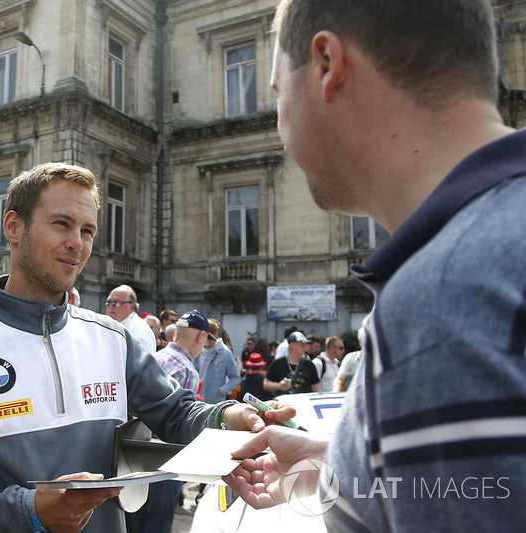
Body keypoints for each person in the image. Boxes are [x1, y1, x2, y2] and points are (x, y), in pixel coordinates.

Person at [224, 1, 526, 531]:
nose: (278, 122)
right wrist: (340, 459)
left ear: (326, 65)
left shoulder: (442, 300)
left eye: (275, 91)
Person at [0, 163, 282, 533]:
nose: (77, 243)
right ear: (13, 227)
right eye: (62, 224)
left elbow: (175, 412)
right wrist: (29, 511)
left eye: (88, 231)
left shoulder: (112, 337)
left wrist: (230, 416)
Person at [134, 309, 216, 533]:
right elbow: (178, 422)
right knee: (157, 524)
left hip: (135, 453)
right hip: (164, 460)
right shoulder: (187, 370)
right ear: (201, 337)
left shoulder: (154, 357)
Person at [195, 318, 240, 404]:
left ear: (217, 336)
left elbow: (236, 377)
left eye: (212, 338)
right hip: (198, 399)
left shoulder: (225, 353)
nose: (208, 342)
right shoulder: (198, 349)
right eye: (207, 338)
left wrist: (222, 390)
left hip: (215, 401)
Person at [105, 284, 156, 355]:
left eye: (116, 303)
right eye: (108, 303)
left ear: (132, 307)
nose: (111, 307)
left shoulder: (137, 330)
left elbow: (142, 363)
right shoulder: (113, 325)